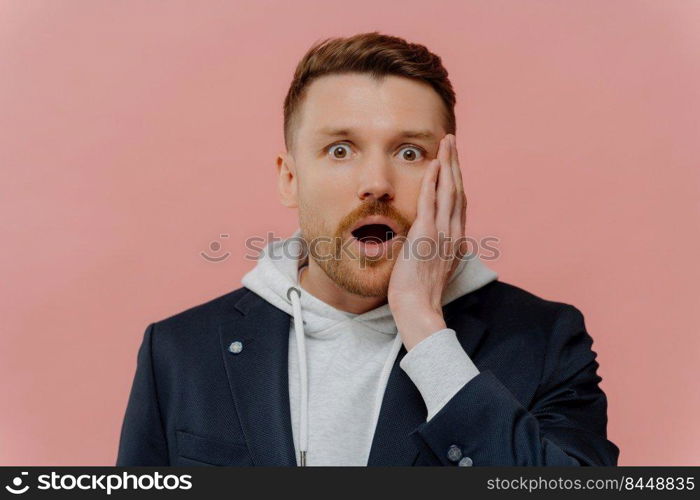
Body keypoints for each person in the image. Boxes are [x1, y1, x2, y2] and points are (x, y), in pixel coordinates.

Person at [116, 31, 619, 467]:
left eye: (409, 152)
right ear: (290, 179)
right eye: (340, 150)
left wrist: (424, 327)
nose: (376, 183)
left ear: (451, 179)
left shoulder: (547, 340)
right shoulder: (178, 351)